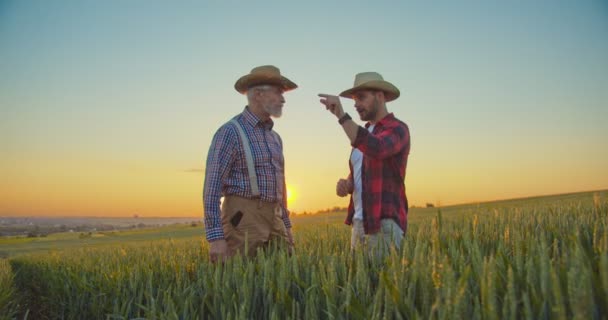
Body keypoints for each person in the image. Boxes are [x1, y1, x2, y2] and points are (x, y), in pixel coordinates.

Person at [203, 65, 296, 262]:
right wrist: (215, 238)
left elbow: (282, 187)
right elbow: (212, 188)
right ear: (258, 94)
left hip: (275, 218)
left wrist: (286, 226)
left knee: (283, 275)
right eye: (278, 92)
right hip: (243, 221)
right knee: (241, 281)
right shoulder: (230, 132)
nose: (283, 99)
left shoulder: (275, 138)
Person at [319, 72, 410, 259]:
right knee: (362, 285)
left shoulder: (397, 128)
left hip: (384, 223)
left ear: (380, 96)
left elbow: (377, 148)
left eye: (361, 97)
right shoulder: (366, 131)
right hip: (359, 222)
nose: (356, 104)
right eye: (354, 99)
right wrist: (348, 183)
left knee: (383, 284)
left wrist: (341, 116)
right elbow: (362, 173)